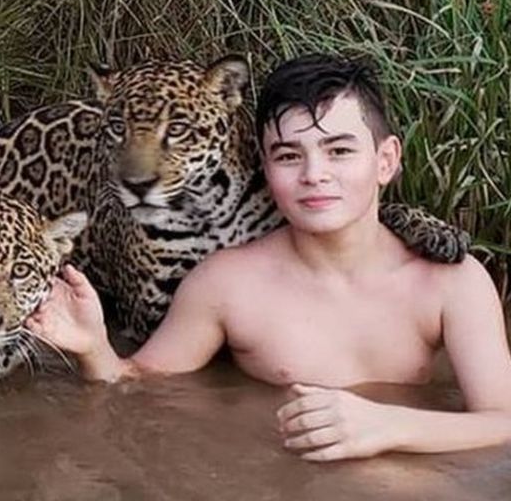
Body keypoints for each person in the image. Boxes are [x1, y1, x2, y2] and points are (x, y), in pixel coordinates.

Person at [26, 54, 511, 462]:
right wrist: (92, 346)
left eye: (339, 151)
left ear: (386, 161)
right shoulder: (225, 284)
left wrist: (389, 426)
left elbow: (504, 422)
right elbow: (135, 384)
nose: (314, 174)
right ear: (264, 164)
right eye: (288, 156)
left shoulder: (452, 284)